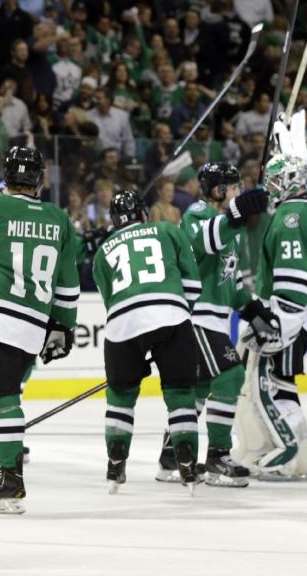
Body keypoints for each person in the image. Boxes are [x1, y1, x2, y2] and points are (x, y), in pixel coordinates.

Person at [0, 146, 80, 514]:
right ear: (40, 180)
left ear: (6, 177)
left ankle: (9, 479)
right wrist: (63, 326)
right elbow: (68, 280)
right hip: (34, 324)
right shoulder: (58, 218)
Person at [155, 162, 269, 486]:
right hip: (195, 319)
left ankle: (170, 458)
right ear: (219, 190)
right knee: (231, 376)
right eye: (234, 188)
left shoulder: (229, 230)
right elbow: (208, 238)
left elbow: (229, 286)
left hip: (215, 321)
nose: (239, 193)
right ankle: (218, 456)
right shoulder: (197, 213)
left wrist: (254, 310)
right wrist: (238, 212)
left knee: (197, 393)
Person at [91, 190, 203, 493]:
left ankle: (115, 465)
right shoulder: (168, 229)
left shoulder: (102, 251)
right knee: (180, 392)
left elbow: (111, 304)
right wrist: (172, 325)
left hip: (122, 327)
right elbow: (192, 286)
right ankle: (187, 465)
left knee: (121, 396)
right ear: (144, 213)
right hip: (169, 314)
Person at [234, 151, 307, 481]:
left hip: (293, 313)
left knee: (268, 385)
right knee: (284, 384)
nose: (272, 187)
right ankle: (300, 456)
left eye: (276, 180)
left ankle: (287, 453)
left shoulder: (291, 215)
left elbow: (295, 274)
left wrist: (280, 321)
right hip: (304, 311)